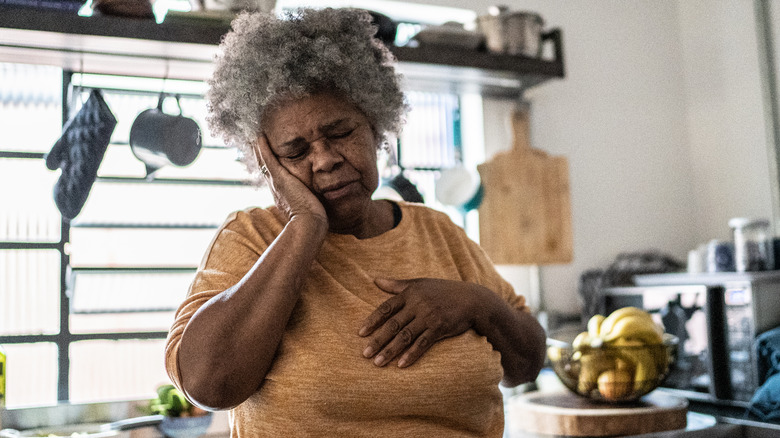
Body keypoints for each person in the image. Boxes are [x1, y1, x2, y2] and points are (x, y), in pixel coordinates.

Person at [164, 7, 546, 437]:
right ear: (265, 163)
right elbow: (208, 386)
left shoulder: (439, 232)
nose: (325, 159)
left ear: (375, 126)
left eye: (341, 132)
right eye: (295, 152)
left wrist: (478, 304)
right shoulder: (251, 238)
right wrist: (305, 226)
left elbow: (526, 364)